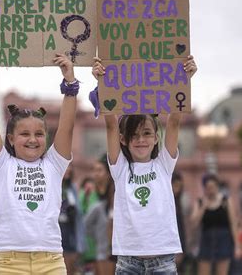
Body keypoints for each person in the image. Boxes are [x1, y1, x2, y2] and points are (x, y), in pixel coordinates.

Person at [0, 51, 78, 274]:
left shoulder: (55, 165)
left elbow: (66, 128)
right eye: (24, 134)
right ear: (10, 139)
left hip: (51, 261)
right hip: (9, 261)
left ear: (47, 138)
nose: (32, 140)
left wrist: (70, 83)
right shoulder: (1, 165)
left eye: (39, 134)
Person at [92, 55, 197, 274]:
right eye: (134, 135)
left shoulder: (164, 164)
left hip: (164, 260)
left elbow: (175, 121)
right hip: (128, 261)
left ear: (157, 137)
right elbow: (111, 125)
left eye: (147, 133)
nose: (141, 140)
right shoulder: (119, 168)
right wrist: (102, 81)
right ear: (123, 139)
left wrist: (184, 79)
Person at [189, 173, 241, 275]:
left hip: (224, 239)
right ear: (204, 188)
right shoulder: (199, 202)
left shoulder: (226, 200)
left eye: (213, 186)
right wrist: (203, 207)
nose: (211, 189)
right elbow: (193, 224)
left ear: (217, 187)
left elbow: (233, 224)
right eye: (208, 187)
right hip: (206, 240)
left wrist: (237, 246)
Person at [84, 154, 115, 275]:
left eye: (99, 170)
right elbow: (85, 223)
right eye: (94, 170)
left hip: (118, 249)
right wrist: (98, 235)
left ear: (108, 173)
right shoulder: (90, 193)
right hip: (101, 249)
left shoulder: (114, 192)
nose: (95, 174)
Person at [60, 165, 86, 275]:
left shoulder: (72, 188)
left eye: (70, 167)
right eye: (66, 167)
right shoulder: (53, 185)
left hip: (70, 230)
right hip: (57, 229)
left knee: (69, 268)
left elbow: (79, 214)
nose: (68, 169)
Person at [172, 171, 187, 272]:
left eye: (179, 186)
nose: (177, 189)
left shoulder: (178, 202)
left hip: (178, 244)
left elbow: (181, 227)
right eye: (175, 185)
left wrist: (182, 249)